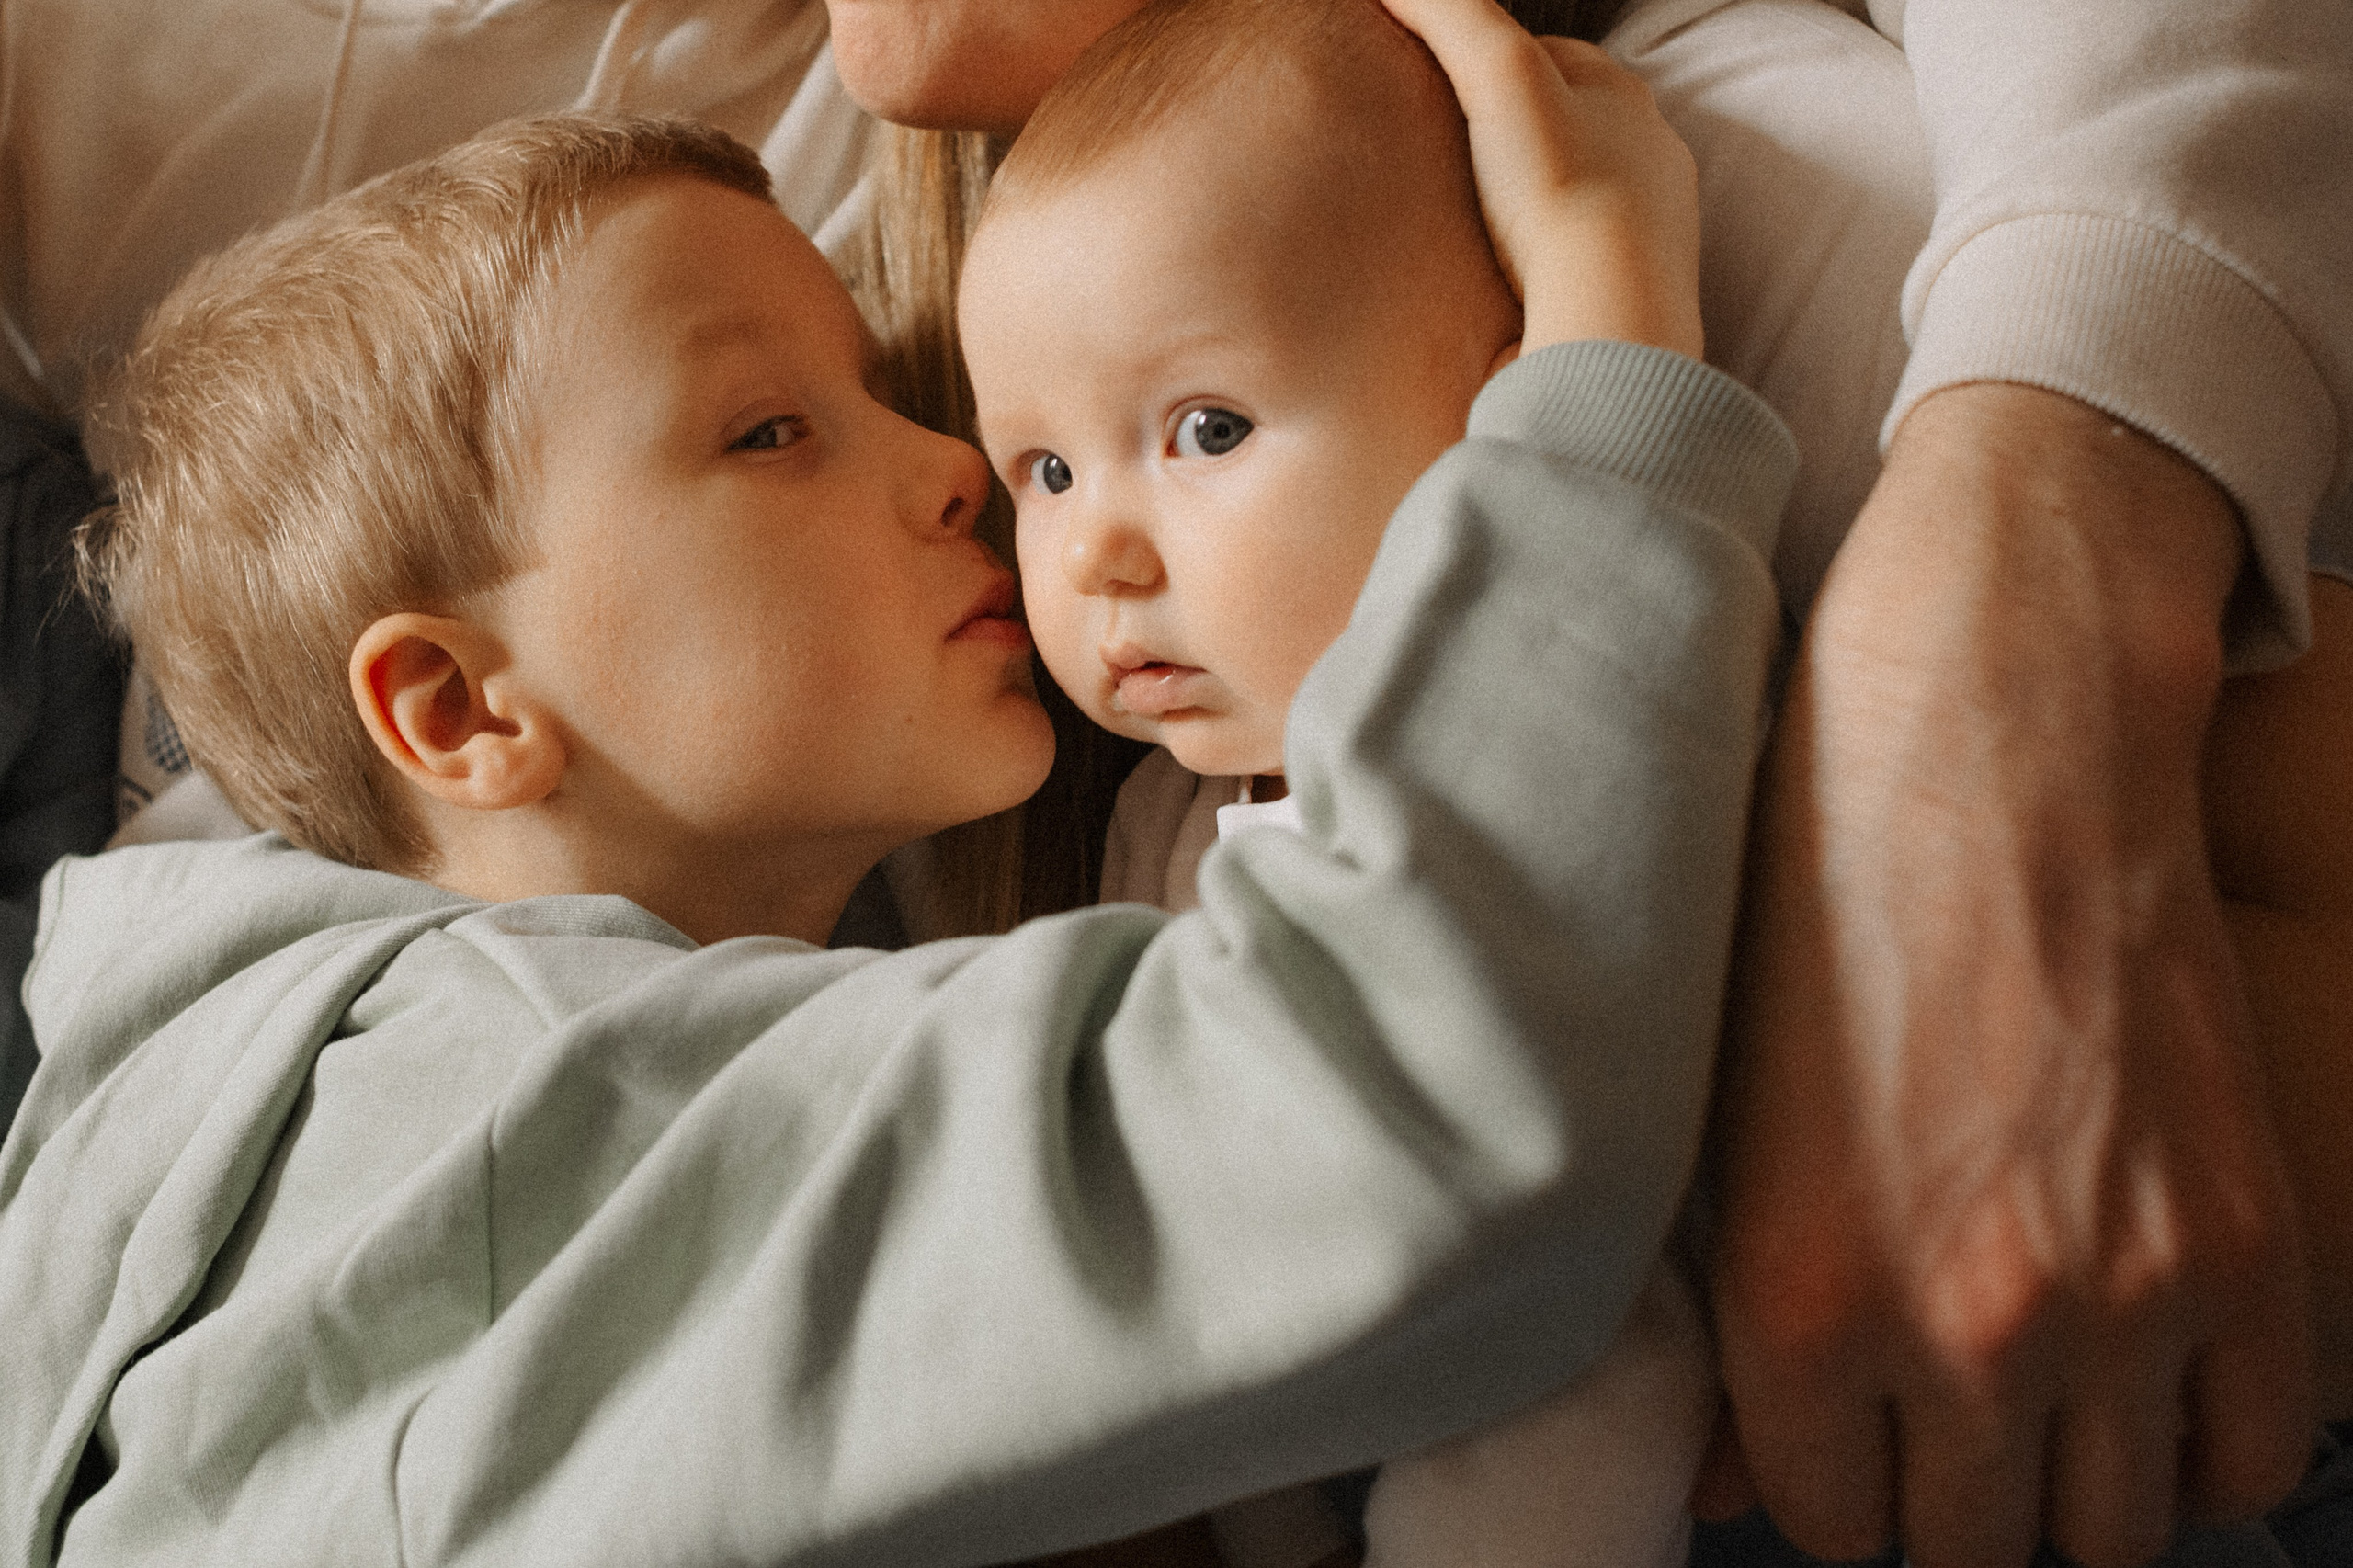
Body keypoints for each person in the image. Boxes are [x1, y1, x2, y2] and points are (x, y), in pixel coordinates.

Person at [0, 88, 1800, 1568]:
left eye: (885, 393)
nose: (953, 464)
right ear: (463, 711)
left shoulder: (247, 1126)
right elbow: (1426, 1125)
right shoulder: (483, 1126)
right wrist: (1604, 340)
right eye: (773, 428)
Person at [956, 6, 1718, 1568]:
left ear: (1499, 405)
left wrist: (1601, 294)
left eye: (1206, 430)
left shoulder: (1555, 712)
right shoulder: (1158, 825)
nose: (1096, 547)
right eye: (1043, 470)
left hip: (1606, 1417)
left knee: (1577, 1380)